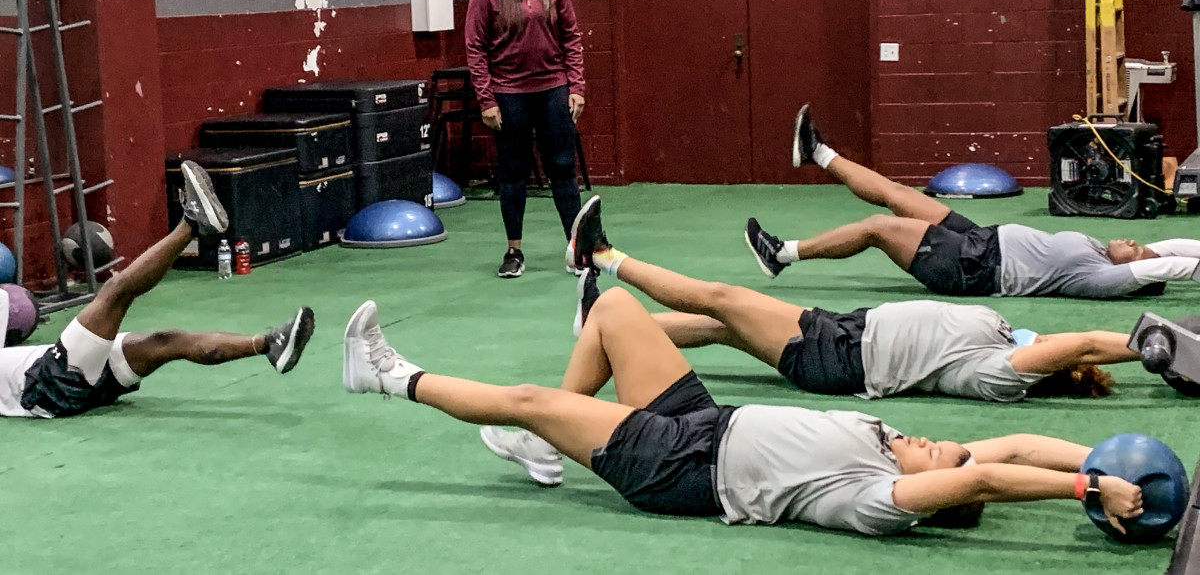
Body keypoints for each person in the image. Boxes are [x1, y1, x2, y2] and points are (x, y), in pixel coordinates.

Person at [341, 290, 1144, 536]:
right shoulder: (900, 448)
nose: (938, 442)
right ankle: (547, 446)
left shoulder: (883, 497)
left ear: (934, 494)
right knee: (615, 312)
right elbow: (1013, 447)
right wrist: (1097, 461)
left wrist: (1084, 493)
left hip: (681, 468)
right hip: (706, 418)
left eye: (942, 456)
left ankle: (387, 375)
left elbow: (989, 478)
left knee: (530, 400)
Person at [563, 195, 1139, 401]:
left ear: (1049, 367)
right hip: (845, 333)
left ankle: (603, 256)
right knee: (721, 326)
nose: (1049, 339)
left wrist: (1158, 344)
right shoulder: (1001, 336)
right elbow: (1074, 345)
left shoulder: (1001, 375)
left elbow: (1084, 343)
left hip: (836, 356)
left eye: (1052, 350)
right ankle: (600, 328)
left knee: (721, 299)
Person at [742, 104, 1200, 299]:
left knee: (877, 228)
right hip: (982, 240)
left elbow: (1172, 267)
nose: (1135, 244)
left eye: (1138, 252)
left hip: (972, 268)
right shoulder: (1103, 255)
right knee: (898, 195)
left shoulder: (1100, 277)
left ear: (1130, 275)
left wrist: (1163, 266)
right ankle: (818, 152)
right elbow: (1176, 250)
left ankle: (780, 254)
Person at [0, 161, 314, 418]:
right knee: (116, 291)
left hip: (72, 377)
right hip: (51, 380)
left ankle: (270, 345)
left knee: (166, 341)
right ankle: (192, 223)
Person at [465, 0, 586, 279]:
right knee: (513, 172)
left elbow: (571, 38)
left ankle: (577, 247)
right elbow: (475, 48)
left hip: (553, 89)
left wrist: (576, 87)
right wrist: (486, 99)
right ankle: (514, 251)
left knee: (562, 168)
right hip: (508, 93)